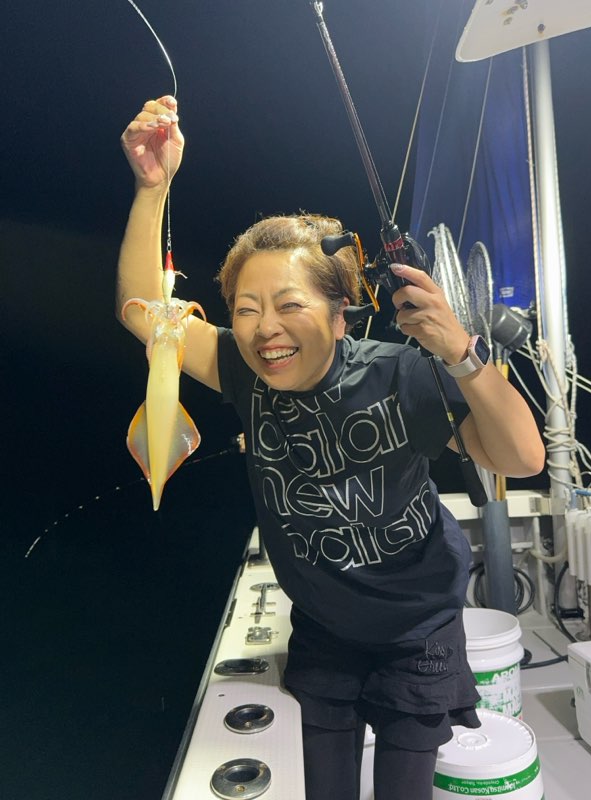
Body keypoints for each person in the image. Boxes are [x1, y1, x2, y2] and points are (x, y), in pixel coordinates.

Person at [118, 96, 545, 800]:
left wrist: (461, 354)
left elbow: (522, 459)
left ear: (340, 314)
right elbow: (143, 311)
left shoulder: (402, 374)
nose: (266, 328)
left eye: (290, 305)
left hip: (420, 631)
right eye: (246, 310)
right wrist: (151, 187)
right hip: (324, 630)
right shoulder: (243, 373)